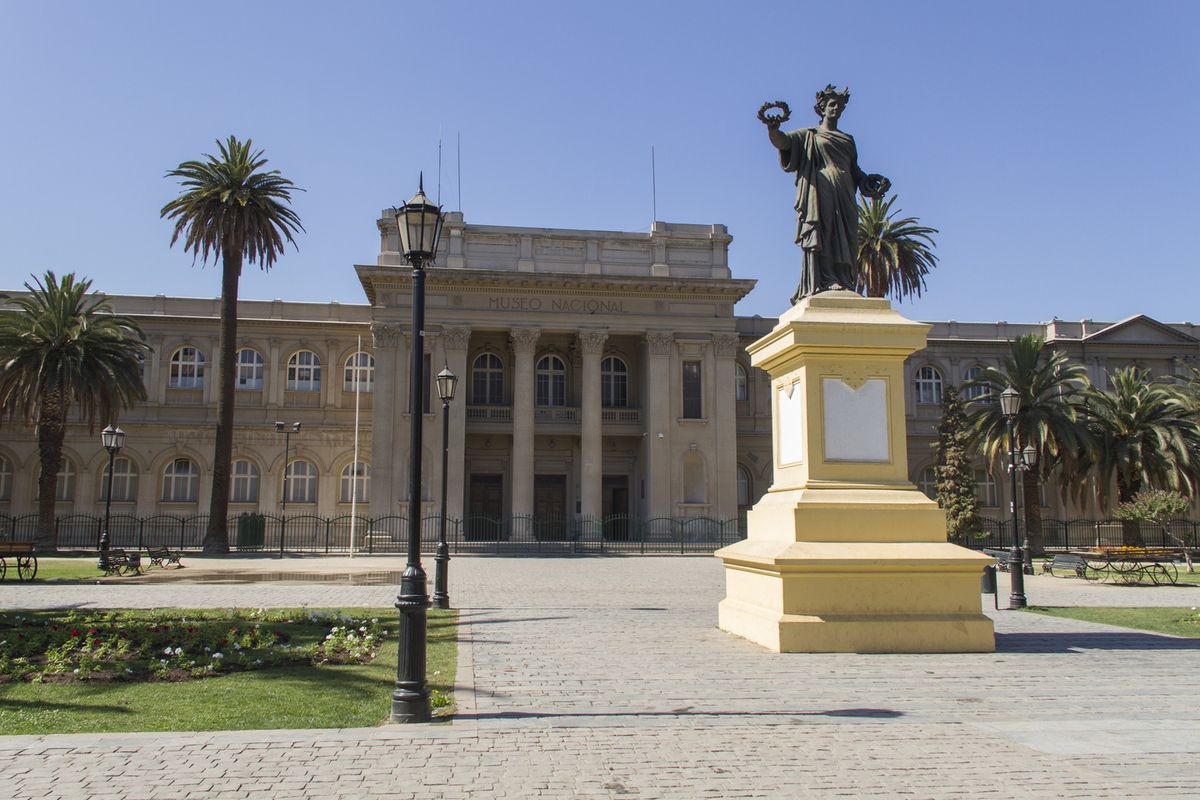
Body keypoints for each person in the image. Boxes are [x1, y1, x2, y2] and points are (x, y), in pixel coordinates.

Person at [761, 86, 890, 303]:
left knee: (846, 237)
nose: (836, 109)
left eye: (839, 106)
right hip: (819, 190)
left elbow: (854, 170)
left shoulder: (847, 139)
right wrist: (773, 130)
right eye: (832, 105)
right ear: (822, 108)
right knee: (825, 232)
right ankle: (826, 280)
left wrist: (868, 183)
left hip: (845, 190)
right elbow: (783, 143)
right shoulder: (808, 135)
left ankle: (844, 279)